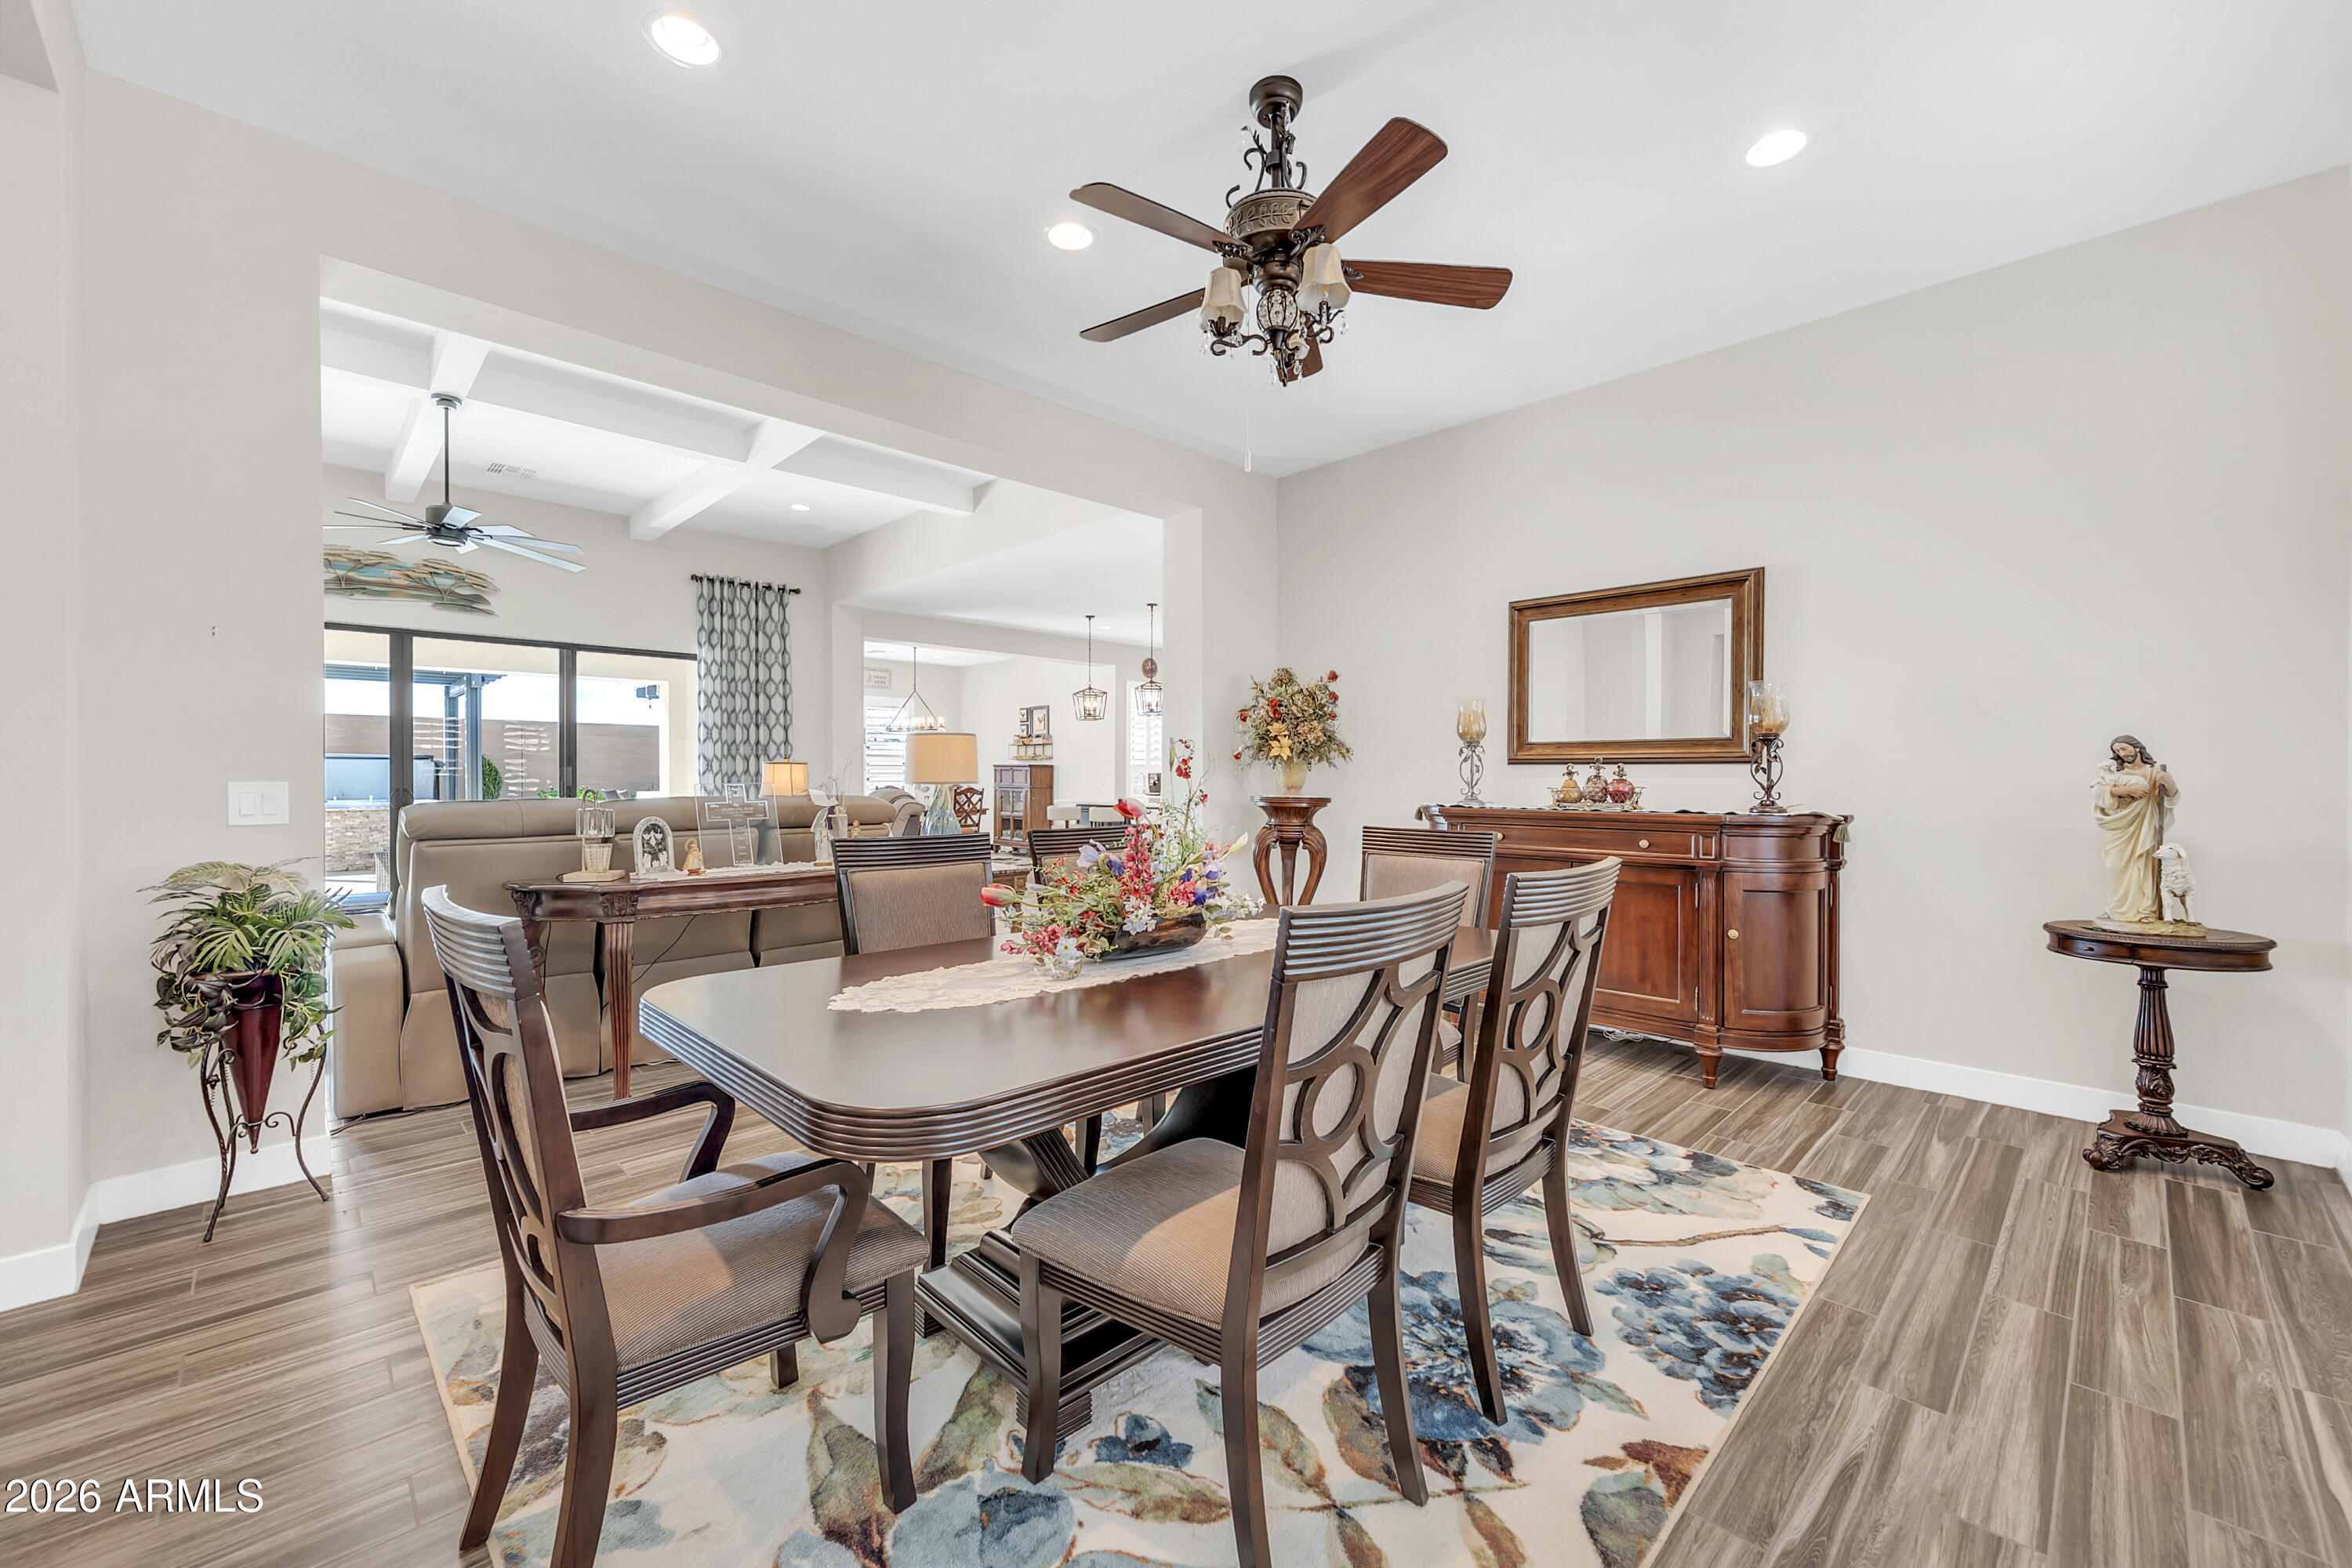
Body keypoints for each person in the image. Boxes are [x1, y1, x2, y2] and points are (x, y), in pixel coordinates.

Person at [2091, 735, 2175, 925]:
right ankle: (2117, 910)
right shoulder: (2114, 772)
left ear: (2137, 748)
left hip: (2145, 825)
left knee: (2143, 866)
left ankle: (2146, 910)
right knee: (2114, 867)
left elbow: (2168, 799)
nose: (2122, 753)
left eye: (2124, 748)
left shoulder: (2153, 772)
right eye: (2117, 751)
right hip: (2119, 827)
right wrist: (2125, 791)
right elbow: (2098, 793)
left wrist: (2170, 784)